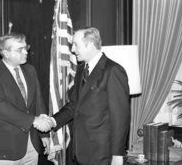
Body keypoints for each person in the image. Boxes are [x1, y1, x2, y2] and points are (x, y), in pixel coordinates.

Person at [38, 27, 131, 165]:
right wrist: (52, 121)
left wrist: (117, 154)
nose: (73, 50)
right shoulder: (82, 69)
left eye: (76, 45)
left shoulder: (112, 70)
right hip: (82, 151)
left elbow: (120, 117)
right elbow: (75, 105)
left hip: (102, 153)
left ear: (91, 44)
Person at [0, 32, 52, 165]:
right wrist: (35, 121)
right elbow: (1, 108)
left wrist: (44, 134)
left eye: (26, 48)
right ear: (6, 53)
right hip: (5, 148)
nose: (26, 52)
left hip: (32, 145)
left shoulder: (30, 70)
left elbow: (38, 103)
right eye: (20, 49)